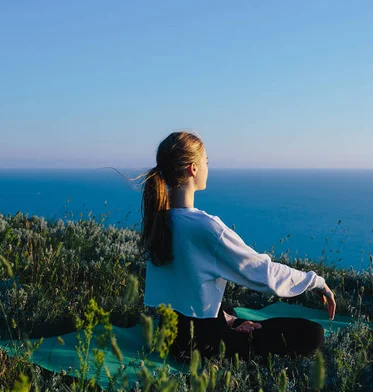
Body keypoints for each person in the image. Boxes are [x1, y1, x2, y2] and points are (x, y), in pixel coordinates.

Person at [140, 131, 336, 362]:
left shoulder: (158, 220)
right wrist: (317, 282)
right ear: (193, 168)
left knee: (227, 307)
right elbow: (264, 273)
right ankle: (231, 327)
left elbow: (186, 289)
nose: (207, 168)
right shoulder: (206, 228)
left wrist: (230, 321)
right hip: (205, 346)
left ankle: (230, 322)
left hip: (170, 335)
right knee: (312, 333)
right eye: (206, 162)